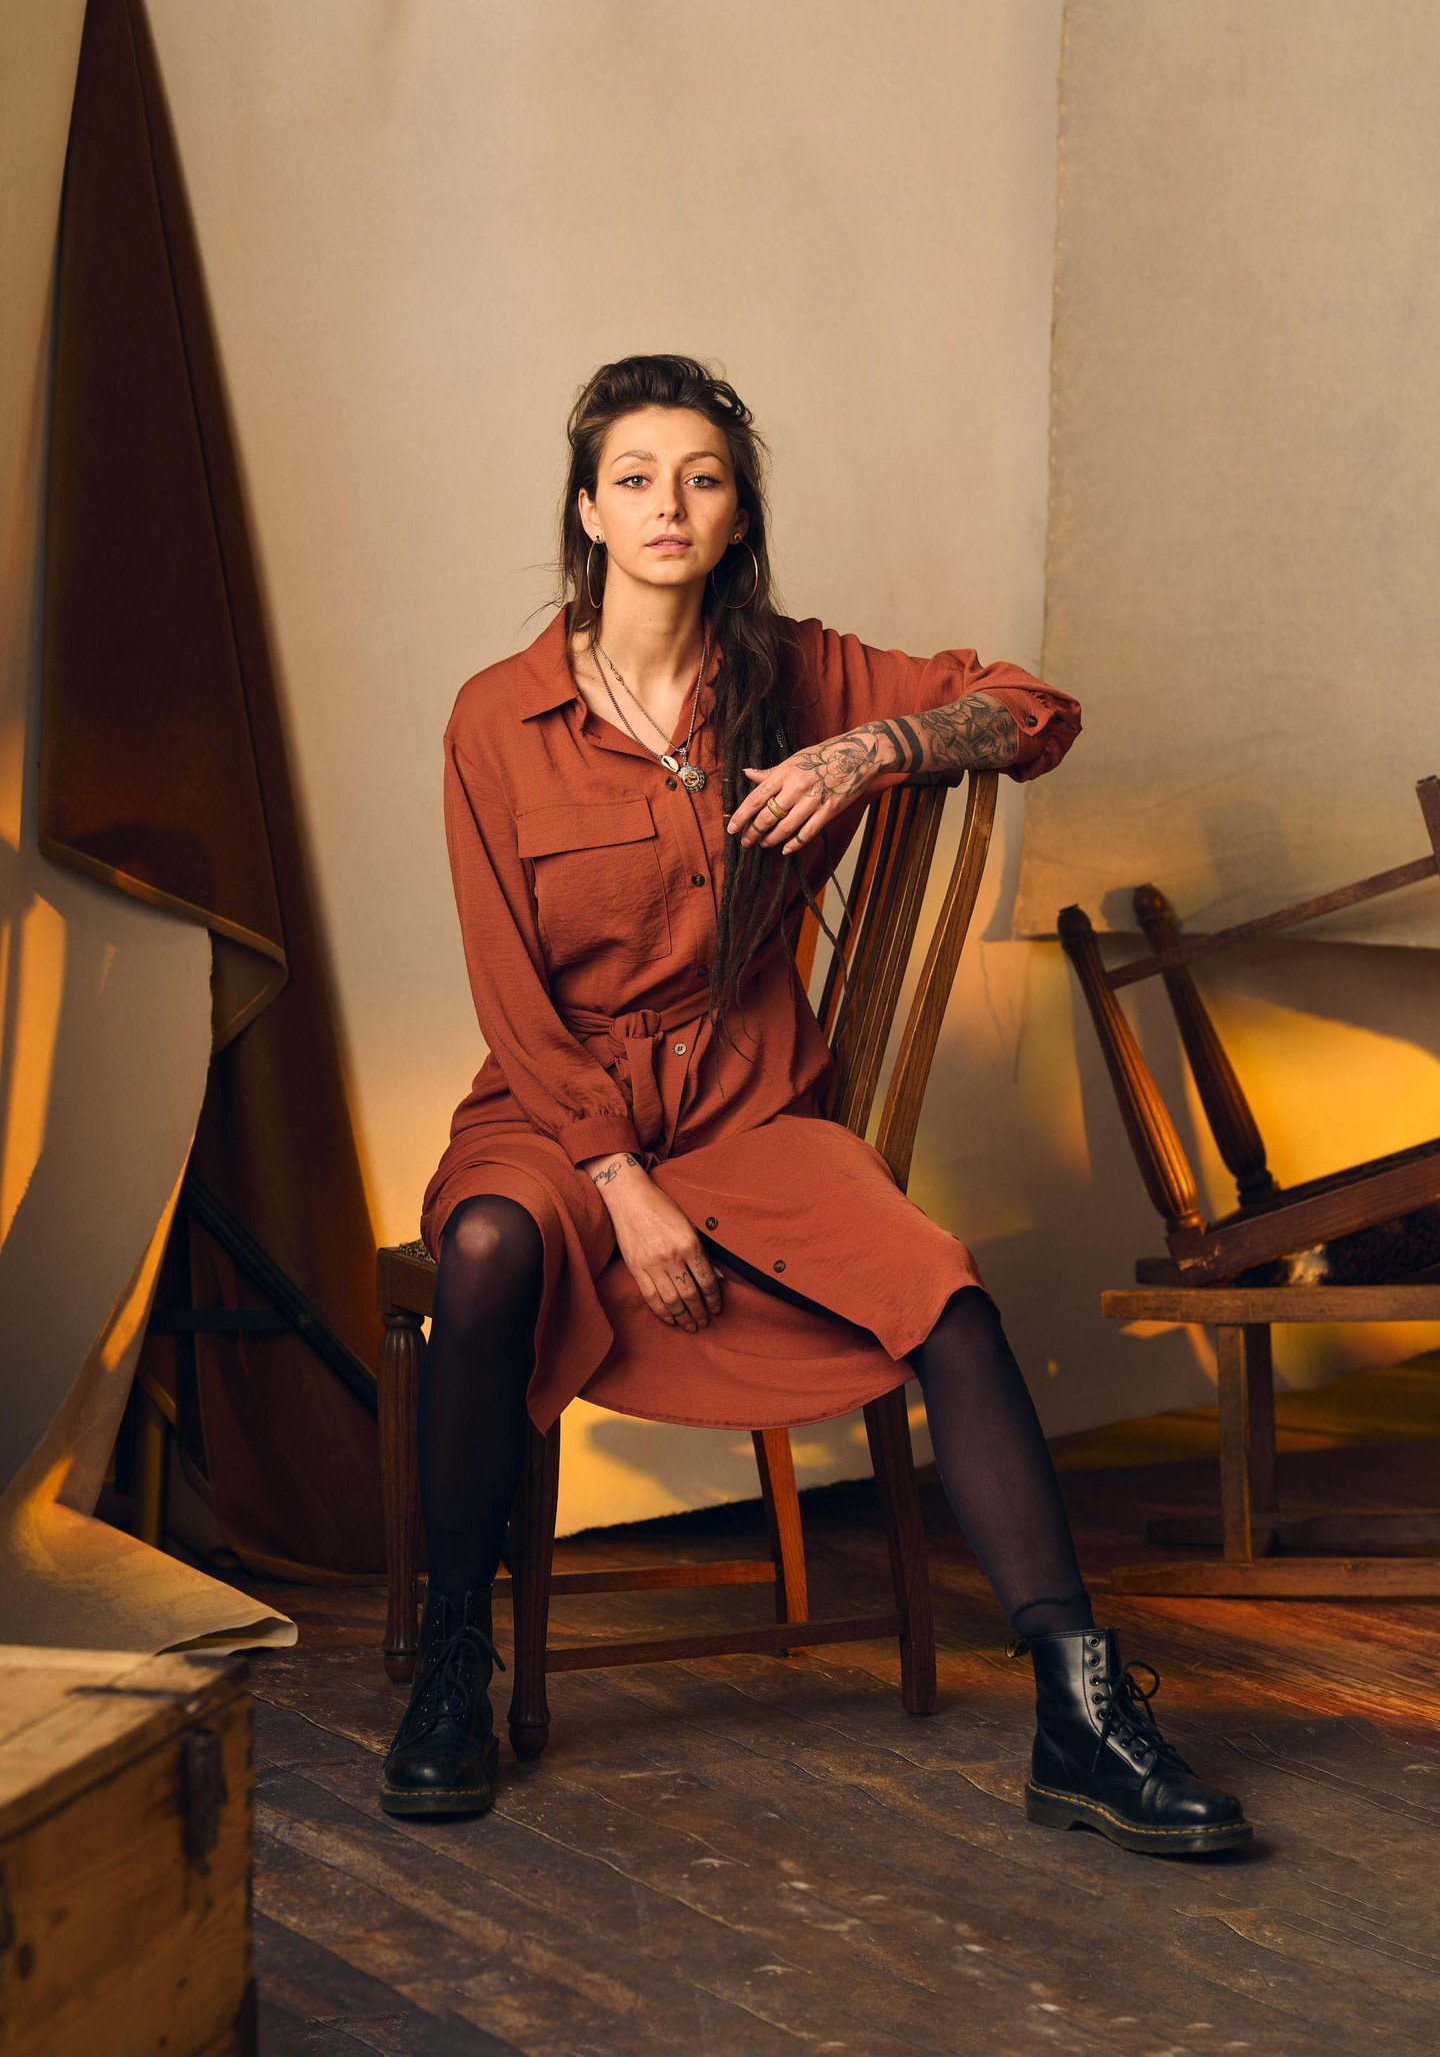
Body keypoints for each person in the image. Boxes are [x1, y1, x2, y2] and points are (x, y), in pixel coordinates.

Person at [380, 352, 1252, 1858]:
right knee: (486, 1253)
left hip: (750, 1109)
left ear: (735, 517)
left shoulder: (792, 676)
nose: (669, 503)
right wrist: (615, 1179)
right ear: (587, 509)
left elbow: (1035, 709)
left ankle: (1083, 1714)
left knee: (950, 1298)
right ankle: (455, 1660)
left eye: (702, 478)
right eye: (637, 476)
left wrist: (873, 748)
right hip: (555, 1104)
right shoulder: (493, 721)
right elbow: (511, 998)